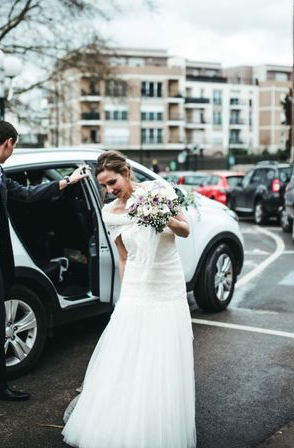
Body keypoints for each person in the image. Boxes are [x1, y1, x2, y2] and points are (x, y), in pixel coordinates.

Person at [0, 120, 90, 432]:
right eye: (15, 145)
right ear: (9, 142)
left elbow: (26, 195)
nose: (14, 150)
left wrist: (66, 182)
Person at [62, 150, 196, 448]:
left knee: (163, 353)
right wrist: (127, 292)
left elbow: (185, 230)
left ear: (125, 172)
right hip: (137, 283)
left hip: (167, 280)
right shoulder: (110, 212)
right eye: (105, 187)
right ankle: (124, 421)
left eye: (112, 182)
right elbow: (123, 256)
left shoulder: (158, 191)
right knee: (130, 352)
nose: (110, 190)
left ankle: (160, 423)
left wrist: (163, 218)